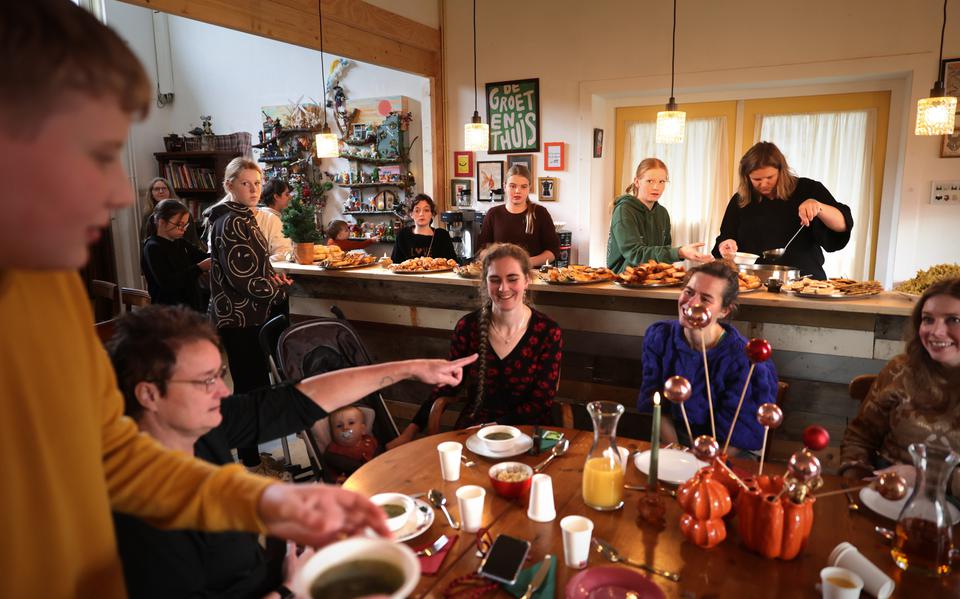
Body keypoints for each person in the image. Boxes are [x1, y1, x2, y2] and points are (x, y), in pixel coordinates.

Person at [0, 2, 401, 596]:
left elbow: (114, 456)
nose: (118, 192)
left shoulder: (44, 278)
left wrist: (264, 500)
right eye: (95, 153)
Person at [108, 305, 477, 599]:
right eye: (205, 381)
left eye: (220, 374)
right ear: (149, 395)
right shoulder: (141, 519)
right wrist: (289, 589)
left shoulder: (203, 427)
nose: (222, 391)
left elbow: (299, 399)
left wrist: (411, 369)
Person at [392, 243, 563, 446]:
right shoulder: (468, 327)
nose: (503, 288)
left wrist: (494, 426)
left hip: (528, 431)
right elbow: (447, 385)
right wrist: (409, 432)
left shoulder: (548, 331)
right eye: (495, 280)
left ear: (526, 280)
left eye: (512, 279)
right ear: (485, 282)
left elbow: (541, 402)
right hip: (476, 429)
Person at [637, 261, 779, 451]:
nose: (692, 303)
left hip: (725, 450)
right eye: (688, 292)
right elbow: (656, 407)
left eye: (705, 299)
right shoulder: (659, 337)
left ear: (724, 310)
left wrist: (700, 464)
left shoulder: (745, 358)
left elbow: (736, 437)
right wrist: (677, 452)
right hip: (673, 442)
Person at [840, 278, 960, 495]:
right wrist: (855, 477)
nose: (936, 332)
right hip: (887, 494)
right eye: (928, 319)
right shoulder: (900, 369)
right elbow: (860, 436)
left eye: (954, 320)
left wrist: (922, 476)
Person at [208, 157, 291, 466]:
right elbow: (242, 279)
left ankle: (251, 456)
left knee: (252, 387)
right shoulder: (233, 221)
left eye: (257, 183)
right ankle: (250, 463)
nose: (254, 189)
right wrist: (279, 288)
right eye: (246, 183)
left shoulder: (238, 215)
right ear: (230, 185)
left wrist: (270, 279)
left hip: (243, 315)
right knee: (248, 390)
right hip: (240, 317)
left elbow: (248, 269)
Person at [711, 141, 853, 280]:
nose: (764, 184)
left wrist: (818, 206)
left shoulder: (808, 189)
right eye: (757, 179)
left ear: (782, 171)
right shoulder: (741, 200)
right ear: (746, 177)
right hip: (752, 281)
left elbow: (843, 225)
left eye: (769, 177)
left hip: (804, 281)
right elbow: (725, 238)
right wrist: (726, 244)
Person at [606, 158, 712, 273]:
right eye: (650, 181)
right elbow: (635, 254)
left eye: (661, 181)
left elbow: (664, 255)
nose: (656, 187)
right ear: (637, 182)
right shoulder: (624, 211)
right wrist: (680, 252)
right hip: (622, 282)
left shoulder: (662, 213)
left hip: (652, 280)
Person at [476, 164, 561, 267]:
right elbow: (481, 250)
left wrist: (524, 263)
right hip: (500, 274)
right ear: (504, 186)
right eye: (513, 186)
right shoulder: (493, 214)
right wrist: (498, 261)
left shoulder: (540, 213)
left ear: (529, 187)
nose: (517, 191)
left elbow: (553, 251)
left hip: (532, 276)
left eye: (523, 186)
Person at [141, 199, 211, 312]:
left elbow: (203, 257)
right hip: (168, 311)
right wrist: (199, 268)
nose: (183, 229)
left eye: (185, 225)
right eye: (179, 224)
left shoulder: (180, 242)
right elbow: (168, 283)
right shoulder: (153, 247)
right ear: (162, 222)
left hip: (189, 307)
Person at [139, 176, 205, 250]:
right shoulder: (148, 215)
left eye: (164, 188)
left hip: (179, 251)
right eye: (157, 189)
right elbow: (144, 240)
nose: (161, 191)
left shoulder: (182, 212)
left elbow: (191, 238)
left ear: (169, 192)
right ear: (152, 194)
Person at [391, 193, 458, 263]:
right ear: (411, 214)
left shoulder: (442, 236)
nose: (421, 214)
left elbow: (452, 264)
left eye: (426, 210)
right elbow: (394, 264)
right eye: (417, 210)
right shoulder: (403, 235)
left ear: (432, 214)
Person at [255, 177, 293, 263]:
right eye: (286, 194)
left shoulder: (261, 214)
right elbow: (283, 254)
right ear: (276, 196)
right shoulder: (272, 218)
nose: (290, 197)